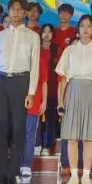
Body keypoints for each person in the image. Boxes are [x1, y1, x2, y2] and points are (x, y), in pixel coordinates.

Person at [0, 0, 41, 184]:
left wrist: (31, 92)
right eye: (13, 9)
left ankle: (13, 174)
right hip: (1, 82)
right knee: (0, 129)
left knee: (18, 130)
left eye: (19, 9)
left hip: (21, 82)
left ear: (25, 13)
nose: (16, 12)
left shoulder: (33, 37)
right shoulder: (0, 36)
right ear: (8, 12)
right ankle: (1, 175)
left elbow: (35, 67)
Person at [56, 14, 92, 184]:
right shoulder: (69, 50)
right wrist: (61, 101)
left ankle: (86, 176)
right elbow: (63, 78)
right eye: (82, 26)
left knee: (88, 137)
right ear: (78, 30)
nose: (85, 29)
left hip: (91, 91)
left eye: (89, 26)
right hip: (73, 90)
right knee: (72, 137)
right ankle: (73, 176)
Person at [21, 25, 52, 177]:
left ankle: (27, 165)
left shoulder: (42, 61)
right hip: (17, 103)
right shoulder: (19, 60)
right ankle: (17, 164)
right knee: (17, 135)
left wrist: (44, 101)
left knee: (30, 135)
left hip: (34, 103)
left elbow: (44, 82)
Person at [36, 24, 60, 158]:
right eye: (44, 31)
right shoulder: (36, 49)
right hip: (38, 88)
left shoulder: (57, 49)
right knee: (37, 117)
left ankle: (46, 146)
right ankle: (37, 144)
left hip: (53, 88)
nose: (46, 34)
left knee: (51, 119)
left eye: (49, 31)